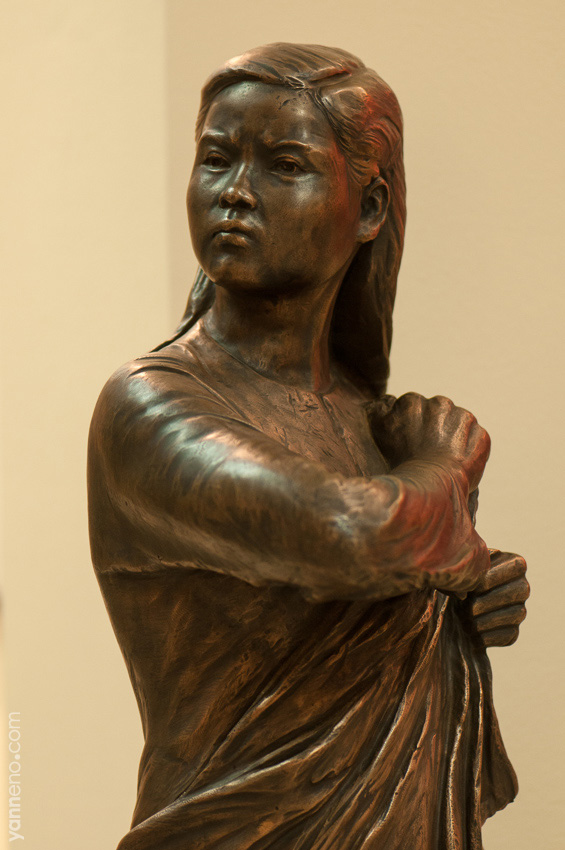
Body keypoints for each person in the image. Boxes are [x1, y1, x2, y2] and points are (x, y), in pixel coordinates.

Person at [88, 43, 529, 850]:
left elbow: (375, 573)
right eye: (215, 158)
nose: (234, 191)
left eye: (283, 165)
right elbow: (352, 534)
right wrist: (443, 472)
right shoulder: (151, 405)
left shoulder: (369, 421)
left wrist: (467, 590)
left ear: (368, 208)